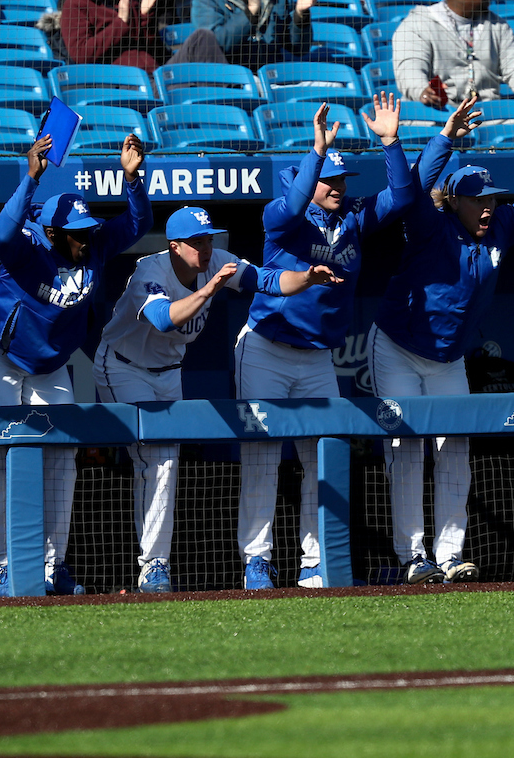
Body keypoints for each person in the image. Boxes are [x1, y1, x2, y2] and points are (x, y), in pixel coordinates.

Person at [370, 101, 514, 585]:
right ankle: (412, 556)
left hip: (447, 359)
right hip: (398, 346)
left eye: (493, 199)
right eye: (478, 200)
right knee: (406, 446)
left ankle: (450, 553)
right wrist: (443, 136)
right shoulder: (429, 224)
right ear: (455, 200)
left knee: (454, 448)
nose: (488, 207)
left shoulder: (501, 224)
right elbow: (410, 189)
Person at [94, 208, 340, 593]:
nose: (206, 248)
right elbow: (163, 319)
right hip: (123, 365)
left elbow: (269, 281)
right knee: (158, 461)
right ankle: (153, 566)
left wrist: (307, 277)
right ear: (174, 247)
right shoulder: (150, 271)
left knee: (167, 462)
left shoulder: (219, 262)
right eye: (196, 242)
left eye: (209, 239)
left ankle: (155, 565)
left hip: (169, 370)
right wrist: (209, 289)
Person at [235, 94, 411, 590]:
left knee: (322, 458)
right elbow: (294, 202)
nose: (336, 187)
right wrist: (317, 151)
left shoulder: (351, 218)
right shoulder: (280, 216)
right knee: (263, 455)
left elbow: (400, 196)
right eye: (328, 181)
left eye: (339, 180)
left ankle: (315, 562)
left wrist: (390, 142)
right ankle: (257, 561)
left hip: (316, 359)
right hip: (266, 347)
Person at [0, 133, 151, 598]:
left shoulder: (93, 245)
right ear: (53, 232)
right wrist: (30, 178)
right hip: (1, 356)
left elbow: (134, 224)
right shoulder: (27, 247)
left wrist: (132, 180)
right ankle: (3, 565)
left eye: (88, 230)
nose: (86, 239)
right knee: (0, 459)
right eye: (76, 233)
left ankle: (52, 565)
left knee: (63, 458)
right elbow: (1, 233)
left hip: (51, 365)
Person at [183, 0, 318, 70]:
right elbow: (212, 46)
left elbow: (300, 49)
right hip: (231, 82)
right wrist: (250, 13)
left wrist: (301, 14)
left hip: (272, 77)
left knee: (333, 87)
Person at [60, 0, 167, 72]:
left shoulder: (127, 0)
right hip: (118, 79)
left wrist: (145, 16)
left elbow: (149, 47)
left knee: (189, 46)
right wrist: (120, 23)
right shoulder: (75, 4)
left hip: (154, 71)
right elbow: (81, 54)